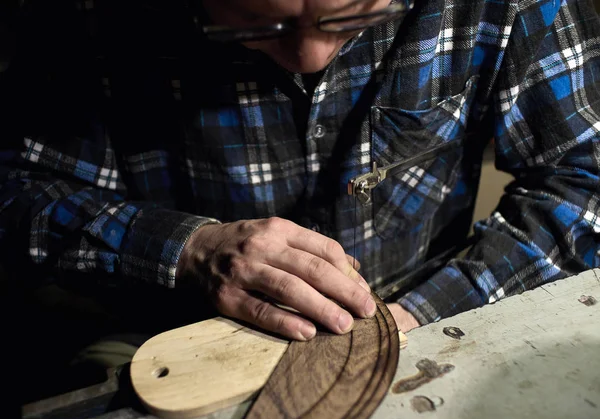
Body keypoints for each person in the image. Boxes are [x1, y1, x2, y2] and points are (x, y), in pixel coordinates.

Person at [1, 0, 599, 347]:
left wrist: (413, 314)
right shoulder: (86, 15)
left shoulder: (504, 3)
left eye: (350, 17)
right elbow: (15, 189)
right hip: (171, 329)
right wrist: (182, 249)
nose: (311, 58)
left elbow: (585, 182)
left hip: (420, 308)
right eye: (255, 27)